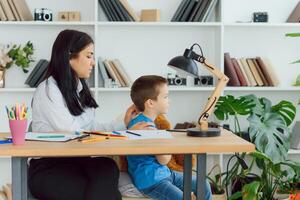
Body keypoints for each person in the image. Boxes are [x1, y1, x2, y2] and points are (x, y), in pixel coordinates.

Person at [28, 29, 149, 200]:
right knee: (111, 195)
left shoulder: (81, 89)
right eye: (88, 56)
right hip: (50, 167)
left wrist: (124, 123)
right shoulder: (48, 90)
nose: (92, 62)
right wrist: (120, 135)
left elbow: (92, 128)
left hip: (78, 161)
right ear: (69, 56)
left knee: (107, 166)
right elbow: (74, 134)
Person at [127, 75, 212, 200]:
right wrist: (165, 142)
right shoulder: (146, 128)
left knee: (203, 185)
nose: (169, 100)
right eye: (165, 97)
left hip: (164, 174)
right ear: (150, 103)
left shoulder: (139, 122)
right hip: (152, 182)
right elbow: (164, 160)